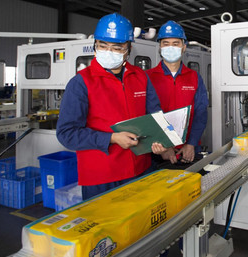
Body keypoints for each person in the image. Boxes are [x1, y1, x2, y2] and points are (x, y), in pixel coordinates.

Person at [56, 13, 166, 200]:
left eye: (117, 47)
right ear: (95, 46)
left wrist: (161, 140)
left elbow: (155, 115)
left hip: (141, 169)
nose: (109, 51)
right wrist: (112, 138)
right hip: (102, 176)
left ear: (128, 49)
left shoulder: (140, 76)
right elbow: (66, 133)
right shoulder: (81, 83)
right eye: (103, 45)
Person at [146, 20, 209, 165]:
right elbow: (147, 115)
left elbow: (201, 113)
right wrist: (163, 145)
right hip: (158, 150)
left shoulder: (194, 77)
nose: (170, 47)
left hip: (189, 150)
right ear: (160, 47)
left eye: (176, 43)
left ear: (184, 47)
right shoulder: (147, 77)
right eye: (165, 43)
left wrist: (191, 143)